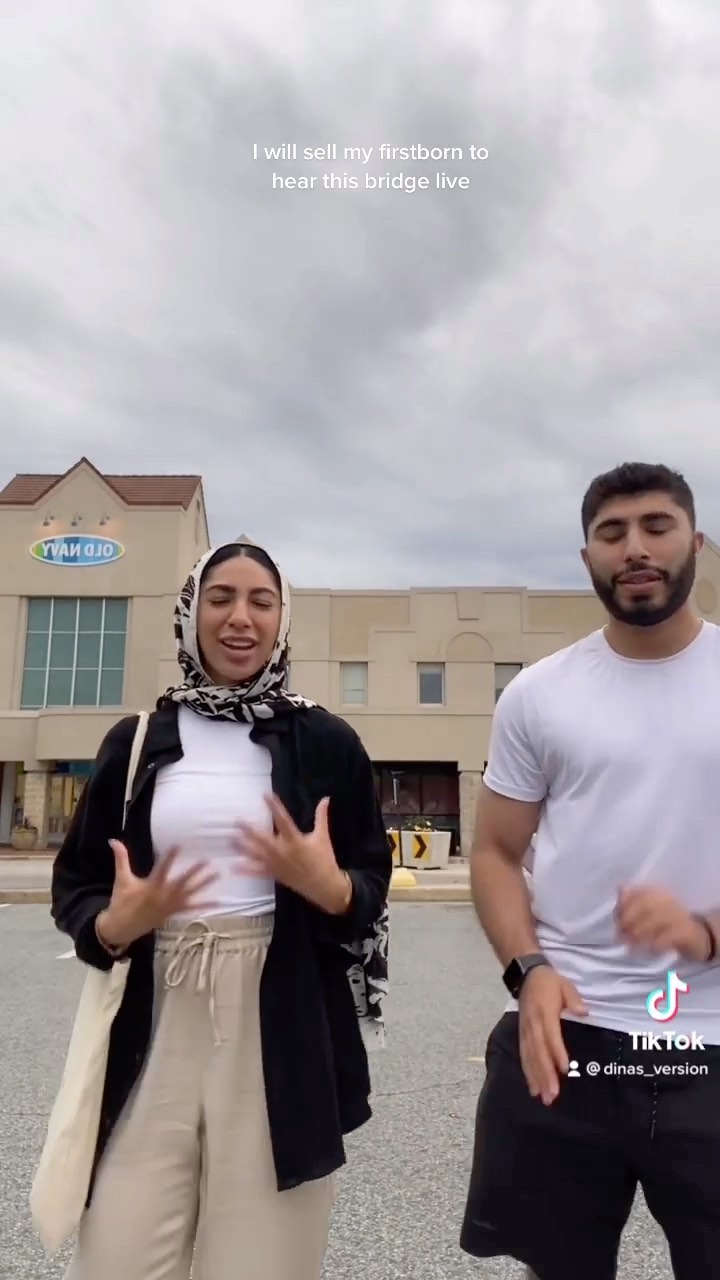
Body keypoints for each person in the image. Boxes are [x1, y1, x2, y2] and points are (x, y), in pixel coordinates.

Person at [51, 539, 391, 1280]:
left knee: (261, 1261)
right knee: (118, 1252)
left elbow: (370, 882)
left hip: (281, 1010)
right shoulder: (138, 741)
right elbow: (78, 882)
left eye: (261, 601)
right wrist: (114, 926)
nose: (241, 618)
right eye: (221, 598)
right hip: (158, 1002)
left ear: (282, 619)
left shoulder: (325, 742)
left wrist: (329, 887)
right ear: (190, 613)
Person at [460, 463, 720, 1280]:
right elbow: (496, 852)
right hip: (568, 1045)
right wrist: (528, 969)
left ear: (695, 544)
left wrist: (706, 932)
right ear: (588, 559)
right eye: (612, 533)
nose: (634, 548)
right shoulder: (539, 695)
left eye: (655, 526)